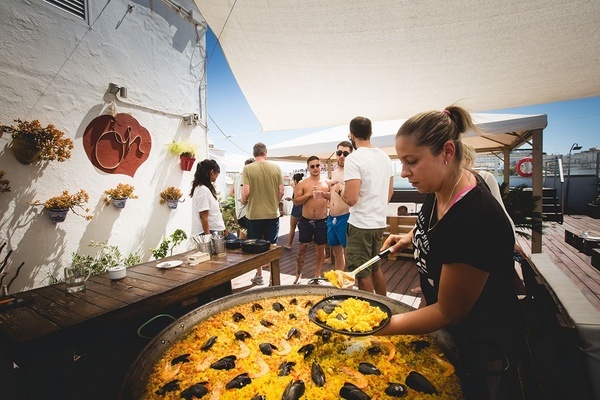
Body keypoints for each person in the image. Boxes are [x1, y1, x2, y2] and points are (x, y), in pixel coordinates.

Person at [378, 105, 524, 399]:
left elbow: (449, 310)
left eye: (412, 161)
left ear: (446, 151)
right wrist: (408, 238)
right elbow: (431, 226)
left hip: (479, 340)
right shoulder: (440, 185)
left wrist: (375, 326)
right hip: (446, 327)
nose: (404, 172)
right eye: (401, 162)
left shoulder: (475, 218)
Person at [337, 117, 393, 295]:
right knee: (375, 268)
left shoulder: (354, 159)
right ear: (371, 134)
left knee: (362, 274)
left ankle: (368, 317)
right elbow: (389, 194)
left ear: (352, 135)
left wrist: (339, 190)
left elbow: (351, 198)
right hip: (378, 223)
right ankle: (385, 307)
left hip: (360, 225)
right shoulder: (385, 158)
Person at [462, 143, 528, 260]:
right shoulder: (484, 177)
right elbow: (501, 213)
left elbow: (500, 214)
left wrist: (510, 241)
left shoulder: (484, 177)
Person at [241, 143, 284, 285]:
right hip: (272, 214)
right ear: (265, 152)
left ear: (254, 154)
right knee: (272, 246)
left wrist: (243, 201)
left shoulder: (248, 168)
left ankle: (259, 276)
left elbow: (246, 192)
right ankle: (273, 278)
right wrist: (274, 202)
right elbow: (282, 191)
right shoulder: (276, 168)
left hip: (254, 215)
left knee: (256, 247)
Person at [315, 141, 353, 271]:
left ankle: (349, 286)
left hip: (345, 217)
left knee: (349, 255)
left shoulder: (352, 172)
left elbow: (352, 197)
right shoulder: (335, 172)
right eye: (339, 153)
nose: (342, 156)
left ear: (351, 154)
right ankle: (339, 282)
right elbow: (333, 195)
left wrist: (340, 186)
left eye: (345, 153)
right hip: (332, 217)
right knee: (337, 254)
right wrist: (323, 195)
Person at [292, 156, 330, 283]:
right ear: (308, 168)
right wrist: (308, 194)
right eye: (312, 166)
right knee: (302, 248)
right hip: (306, 221)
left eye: (317, 165)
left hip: (322, 220)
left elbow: (333, 198)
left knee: (320, 249)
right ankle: (298, 274)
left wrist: (325, 196)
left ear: (321, 166)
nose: (315, 168)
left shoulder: (327, 183)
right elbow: (296, 202)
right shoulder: (302, 184)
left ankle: (317, 275)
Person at [190, 159, 226, 236]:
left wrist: (223, 228)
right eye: (217, 173)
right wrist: (208, 237)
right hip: (210, 232)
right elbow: (203, 217)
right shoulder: (202, 190)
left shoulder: (205, 189)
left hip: (216, 230)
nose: (217, 177)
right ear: (212, 172)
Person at [229, 157, 255, 239]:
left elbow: (231, 193)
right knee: (251, 238)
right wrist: (244, 199)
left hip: (238, 212)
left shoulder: (237, 178)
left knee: (242, 234)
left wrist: (238, 198)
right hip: (246, 212)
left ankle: (240, 251)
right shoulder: (248, 178)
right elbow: (247, 194)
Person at [283, 173, 304, 250]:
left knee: (292, 227)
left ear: (295, 180)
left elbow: (296, 200)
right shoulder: (304, 187)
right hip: (303, 209)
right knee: (302, 227)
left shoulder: (296, 188)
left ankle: (289, 244)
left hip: (296, 209)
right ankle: (302, 244)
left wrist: (290, 199)